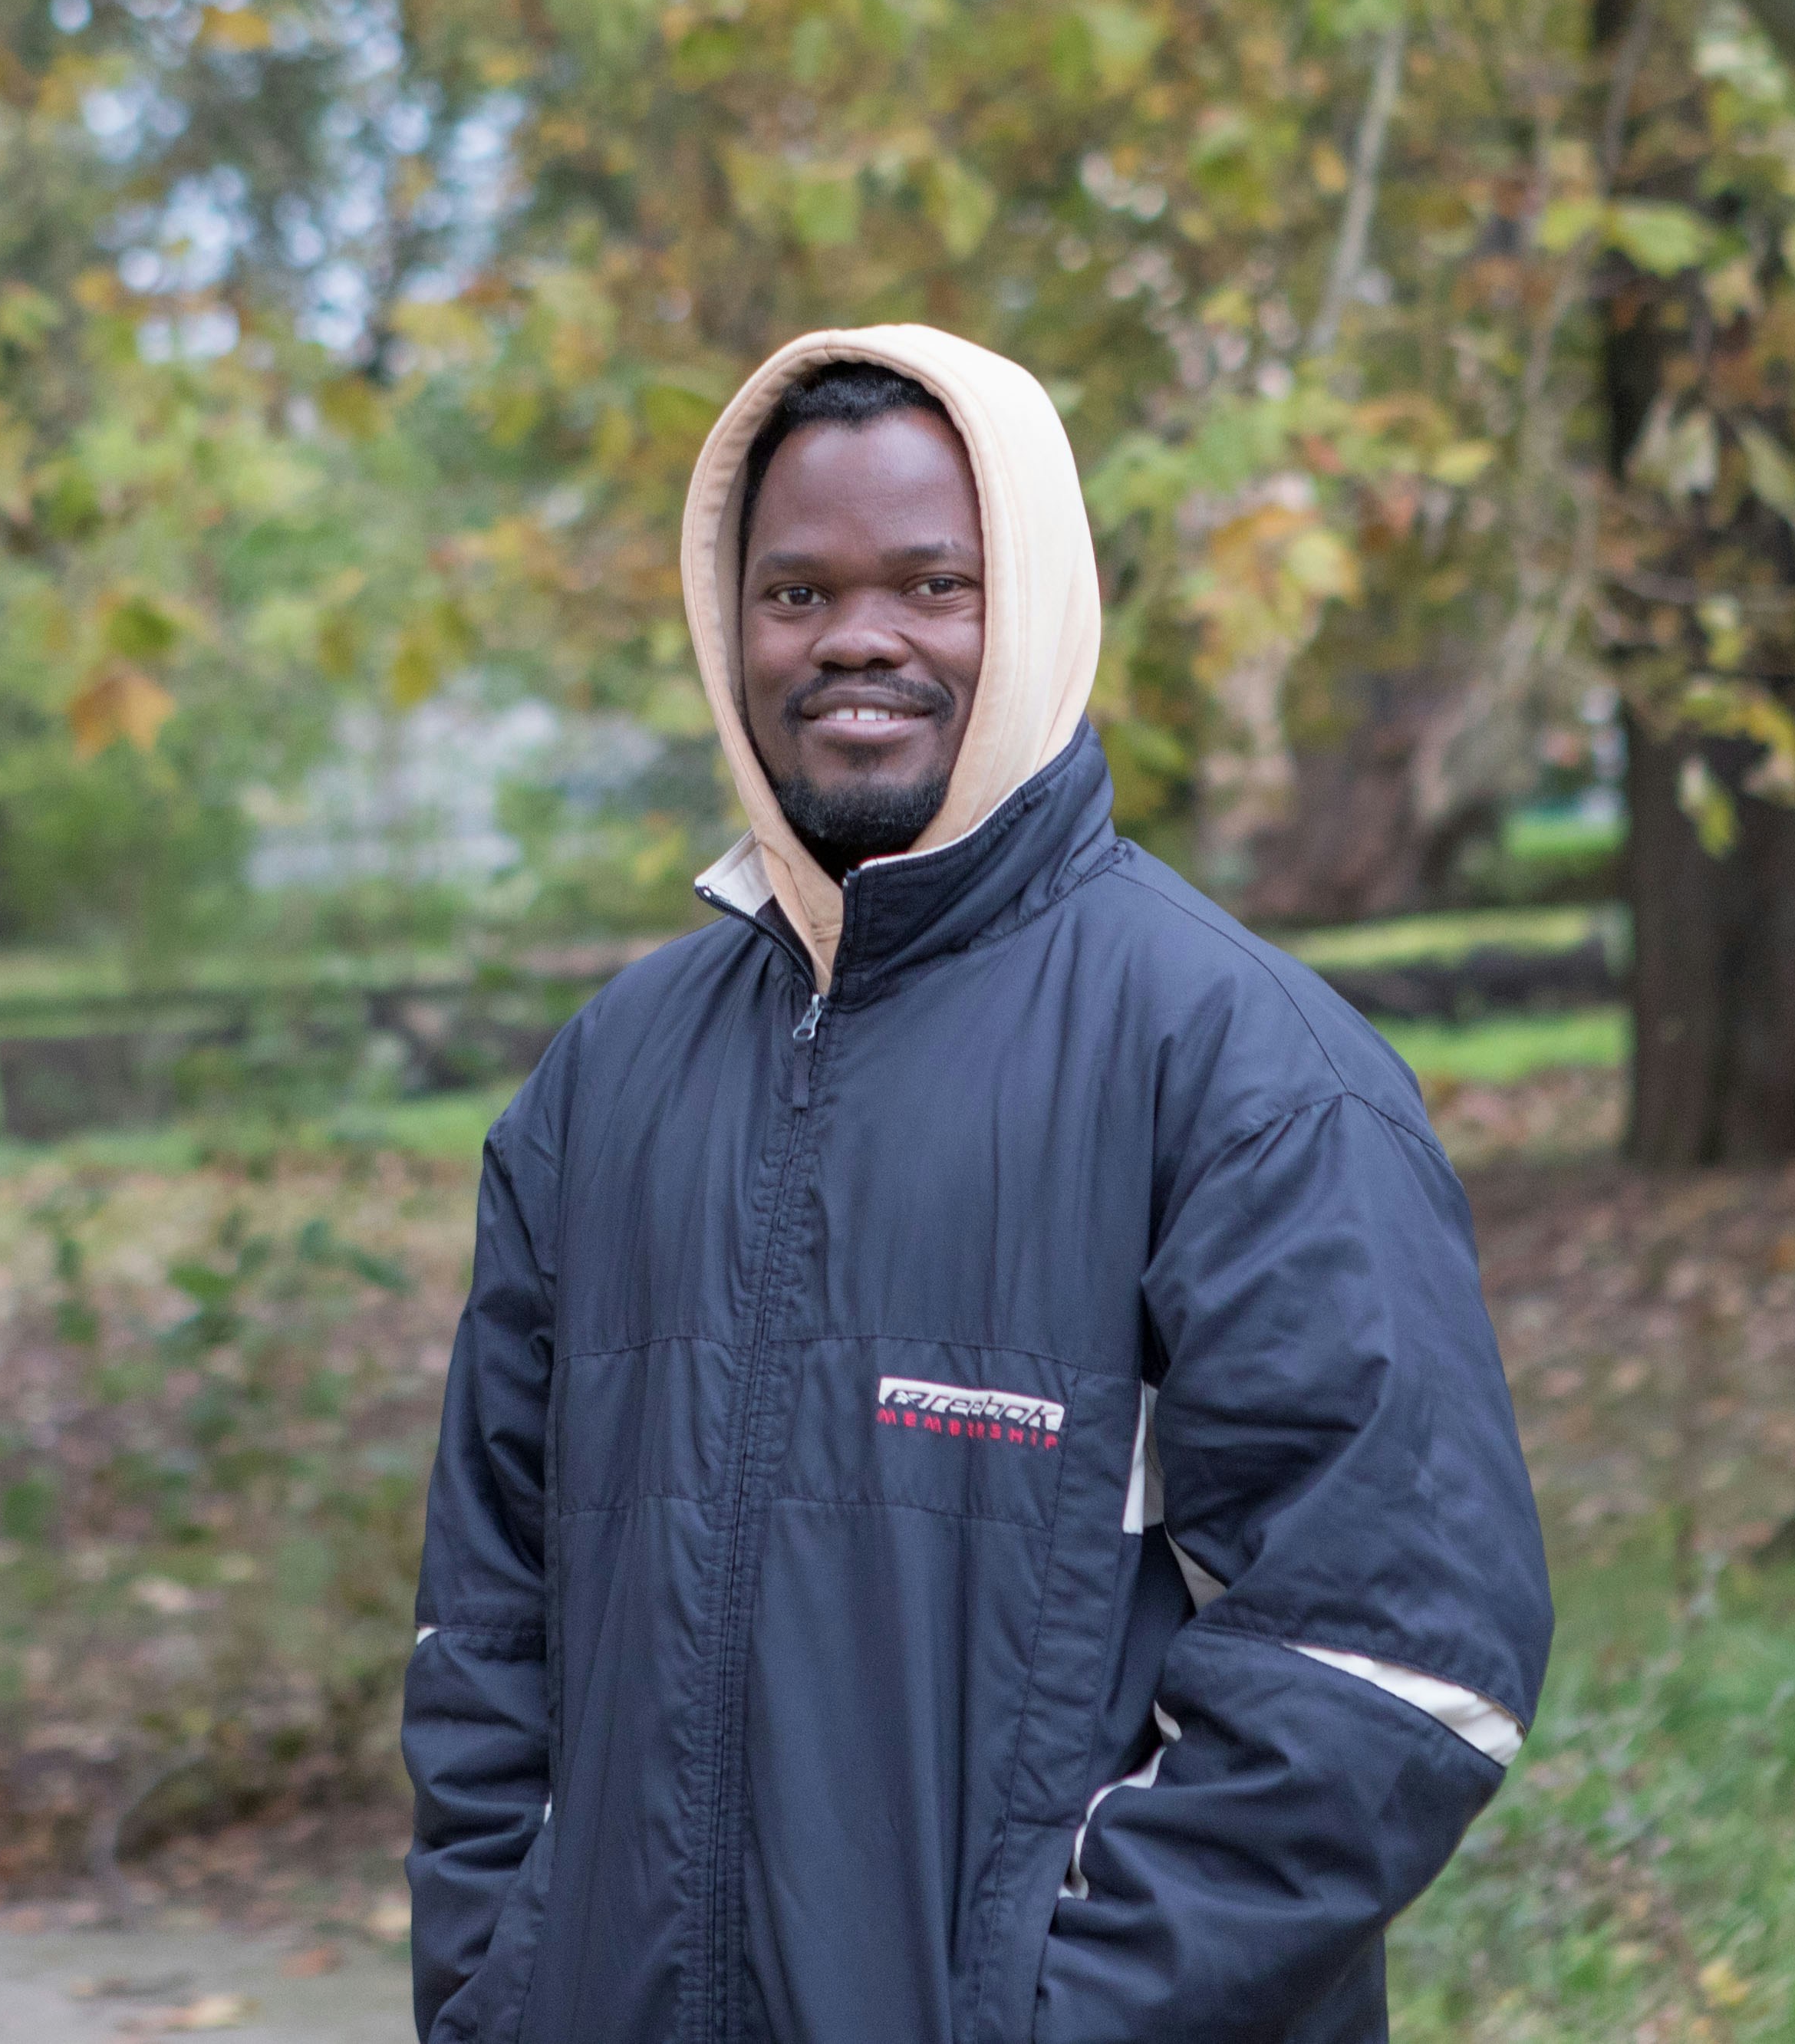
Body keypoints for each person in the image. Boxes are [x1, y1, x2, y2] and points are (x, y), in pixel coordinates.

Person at [403, 324, 1553, 2044]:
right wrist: (503, 1985)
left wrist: (1053, 2012)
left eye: (931, 581)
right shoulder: (607, 1080)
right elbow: (485, 1614)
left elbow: (1401, 1647)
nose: (855, 635)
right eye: (794, 591)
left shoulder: (1240, 1067)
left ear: (1036, 607)